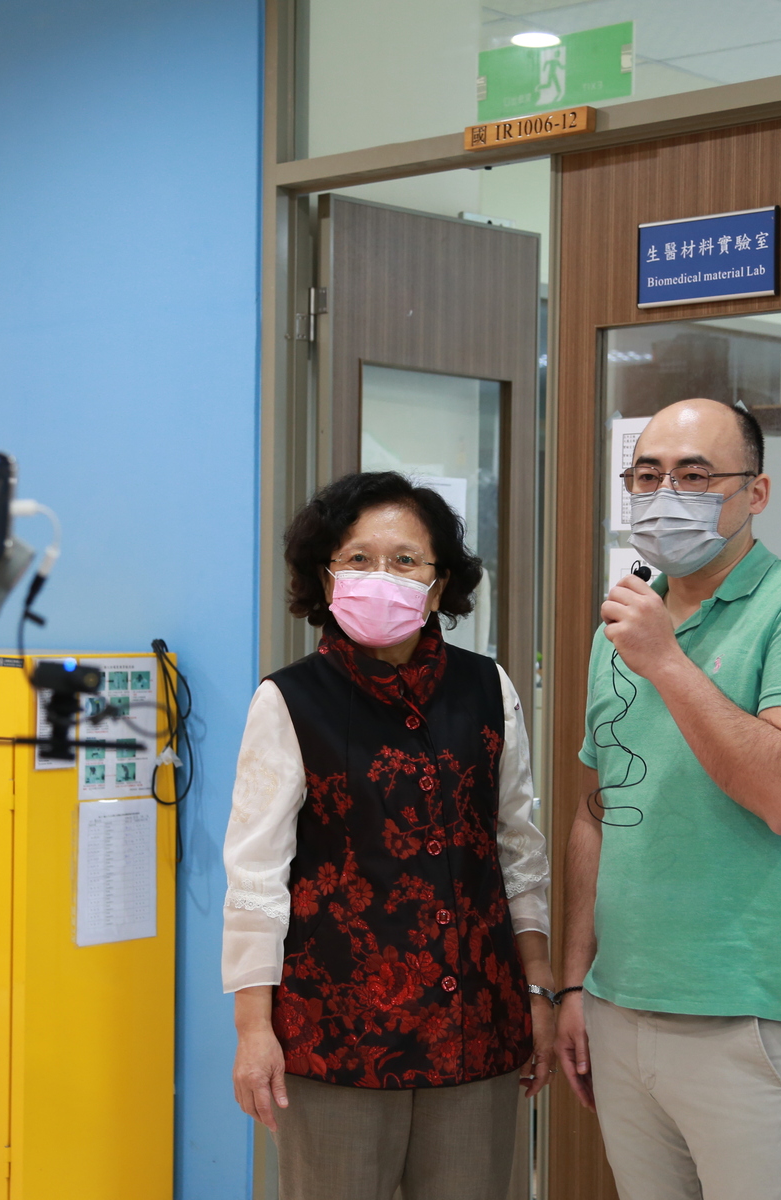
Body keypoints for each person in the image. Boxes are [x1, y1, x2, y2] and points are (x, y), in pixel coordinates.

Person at [552, 398, 781, 1200]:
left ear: (756, 493)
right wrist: (573, 982)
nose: (667, 493)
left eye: (695, 475)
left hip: (748, 1014)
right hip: (618, 1008)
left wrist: (665, 660)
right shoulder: (622, 625)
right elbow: (603, 808)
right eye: (648, 474)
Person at [222, 471, 555, 1200]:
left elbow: (519, 853)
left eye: (406, 561)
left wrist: (537, 989)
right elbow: (255, 879)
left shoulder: (488, 688)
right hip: (336, 1039)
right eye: (359, 558)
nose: (383, 576)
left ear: (438, 587)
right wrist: (254, 1029)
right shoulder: (289, 700)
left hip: (478, 1031)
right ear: (327, 575)